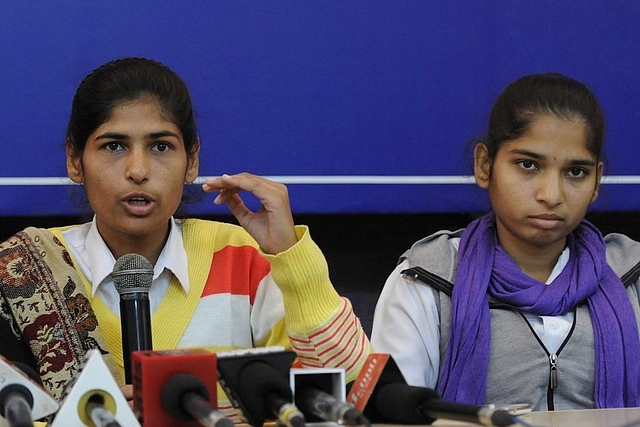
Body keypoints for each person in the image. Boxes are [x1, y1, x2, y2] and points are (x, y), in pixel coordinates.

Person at [0, 57, 371, 418]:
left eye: (161, 146)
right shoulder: (22, 272)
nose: (139, 170)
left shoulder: (243, 257)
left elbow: (350, 392)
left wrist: (292, 260)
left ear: (191, 160)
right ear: (75, 160)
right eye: (114, 146)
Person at [370, 73, 640, 411]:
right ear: (485, 166)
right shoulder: (426, 281)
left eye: (575, 173)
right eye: (528, 165)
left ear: (596, 180)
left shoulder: (632, 276)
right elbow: (395, 417)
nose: (551, 195)